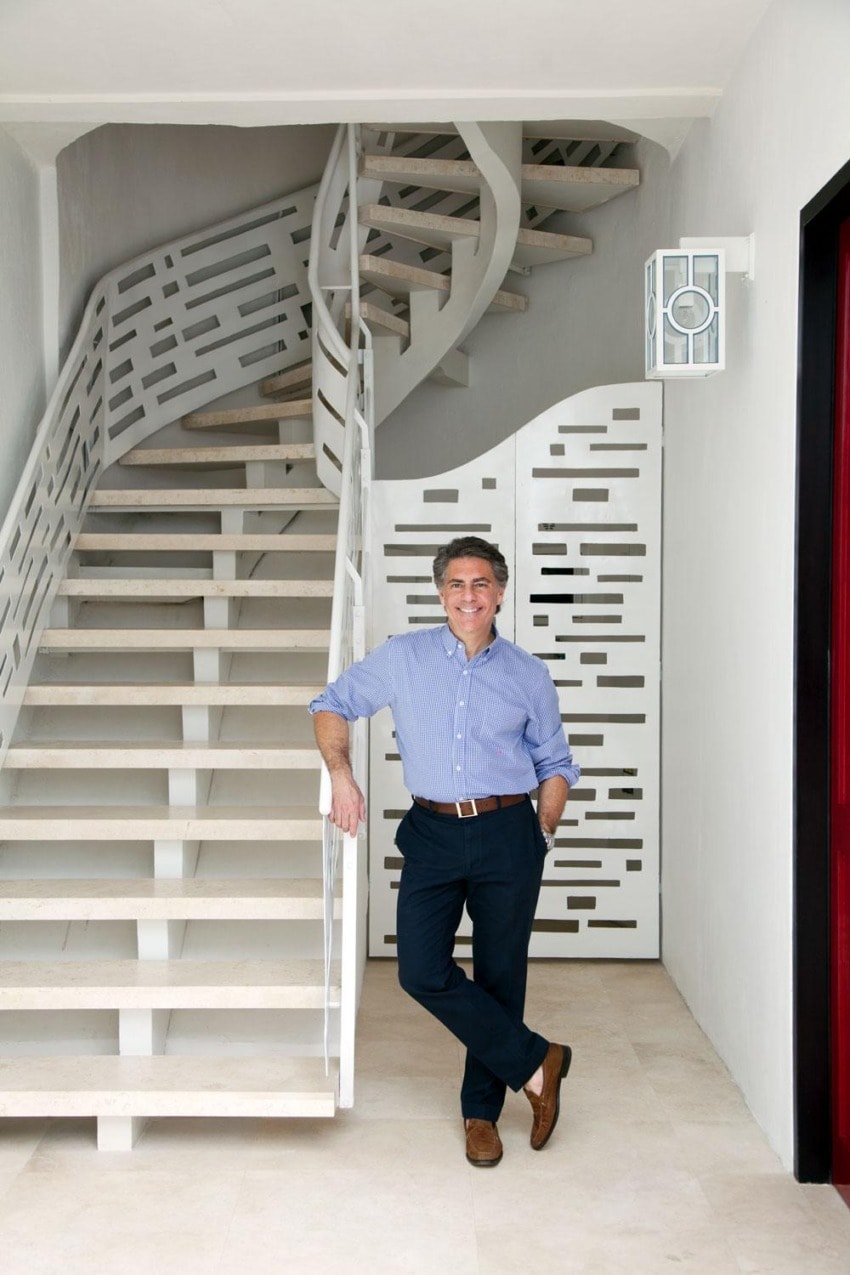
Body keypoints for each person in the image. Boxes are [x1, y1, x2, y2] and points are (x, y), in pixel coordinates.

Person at [309, 535, 580, 1167]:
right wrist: (342, 775)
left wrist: (540, 833)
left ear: (500, 593)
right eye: (457, 584)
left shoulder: (527, 675)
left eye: (480, 584)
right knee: (420, 970)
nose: (469, 596)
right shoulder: (404, 658)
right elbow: (331, 704)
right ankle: (538, 1063)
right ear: (441, 593)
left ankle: (480, 1114)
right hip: (431, 831)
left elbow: (556, 762)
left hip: (509, 831)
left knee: (500, 975)